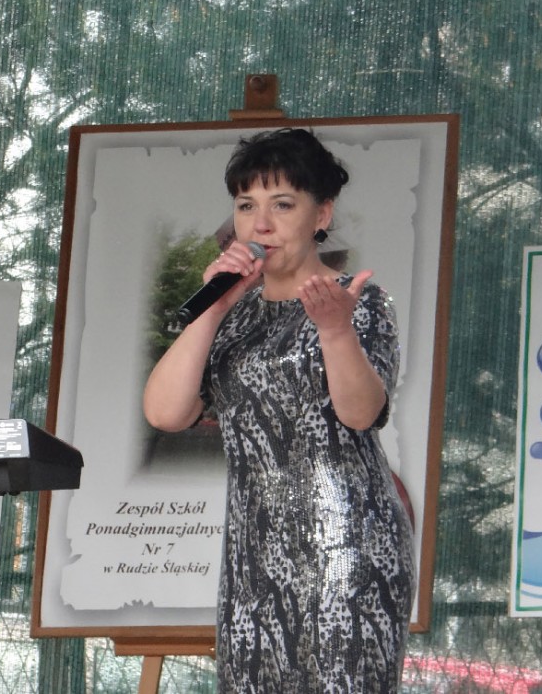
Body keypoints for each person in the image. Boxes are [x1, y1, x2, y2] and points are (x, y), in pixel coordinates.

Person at [143, 127, 415, 692]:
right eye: (247, 206)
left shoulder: (359, 301)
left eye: (282, 205)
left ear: (322, 214)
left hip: (348, 547)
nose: (260, 224)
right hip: (253, 555)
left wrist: (335, 330)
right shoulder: (234, 315)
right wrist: (214, 307)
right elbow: (166, 413)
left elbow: (361, 414)